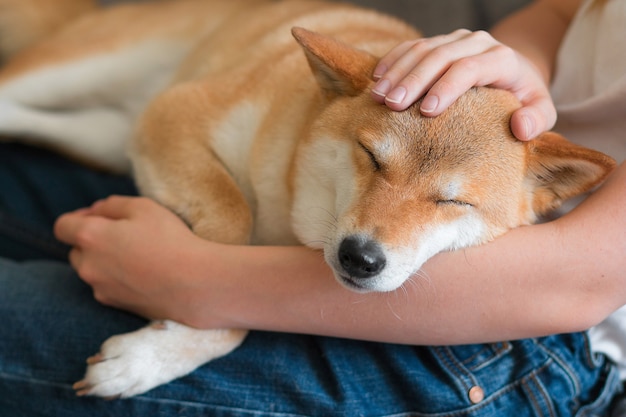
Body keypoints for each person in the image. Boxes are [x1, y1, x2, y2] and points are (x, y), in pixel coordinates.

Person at [1, 0, 625, 415]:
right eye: (374, 164)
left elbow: (575, 282)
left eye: (445, 204)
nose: (377, 230)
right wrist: (512, 71)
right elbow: (565, 9)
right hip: (424, 135)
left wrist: (203, 287)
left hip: (508, 336)